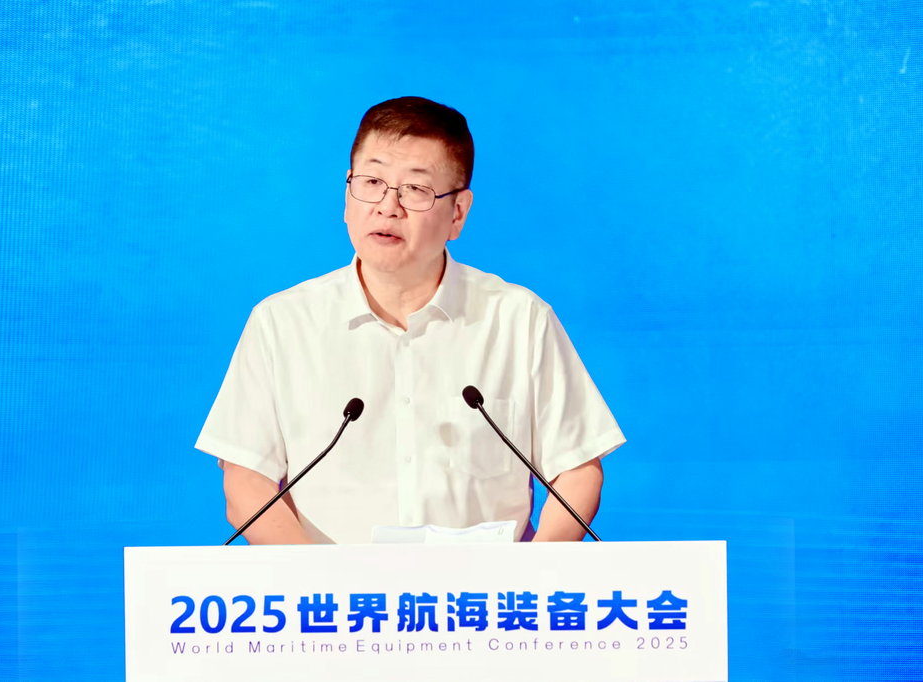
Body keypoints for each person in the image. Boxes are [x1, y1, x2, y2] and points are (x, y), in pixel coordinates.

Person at [196, 96, 625, 545]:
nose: (387, 206)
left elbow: (577, 471)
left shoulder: (519, 320)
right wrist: (316, 578)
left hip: (486, 589)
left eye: (415, 190)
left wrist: (529, 575)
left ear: (458, 213)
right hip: (332, 589)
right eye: (371, 182)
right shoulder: (282, 323)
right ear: (347, 194)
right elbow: (246, 482)